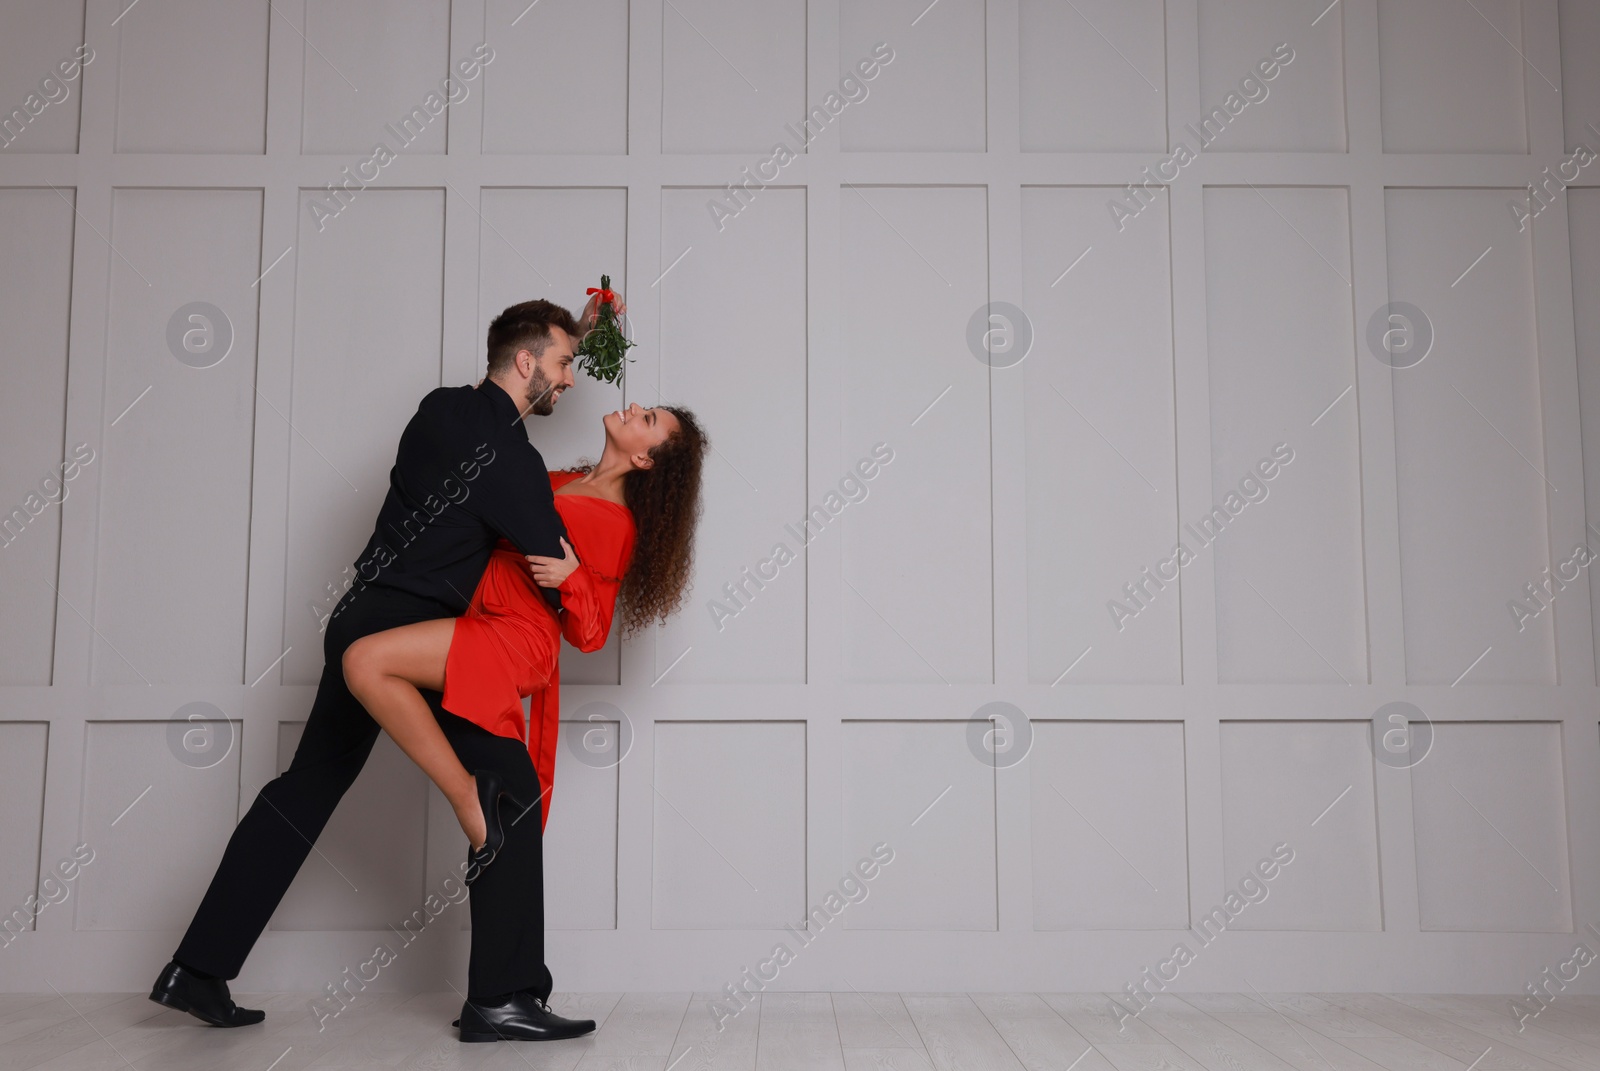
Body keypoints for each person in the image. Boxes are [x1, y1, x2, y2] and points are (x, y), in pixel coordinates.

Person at [149, 294, 614, 1042]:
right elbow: (552, 559)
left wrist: (578, 332)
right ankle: (504, 996)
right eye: (561, 367)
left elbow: (516, 390)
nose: (568, 381)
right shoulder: (513, 459)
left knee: (303, 788)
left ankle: (196, 967)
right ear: (525, 361)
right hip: (414, 638)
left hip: (356, 615)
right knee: (511, 788)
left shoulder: (437, 409)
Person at [341, 402, 708, 891]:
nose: (636, 408)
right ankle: (479, 807)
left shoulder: (615, 522)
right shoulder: (558, 478)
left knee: (365, 662)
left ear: (645, 460)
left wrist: (573, 578)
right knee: (364, 662)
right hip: (478, 615)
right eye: (646, 409)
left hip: (517, 636)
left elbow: (591, 634)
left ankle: (469, 802)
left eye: (648, 421)